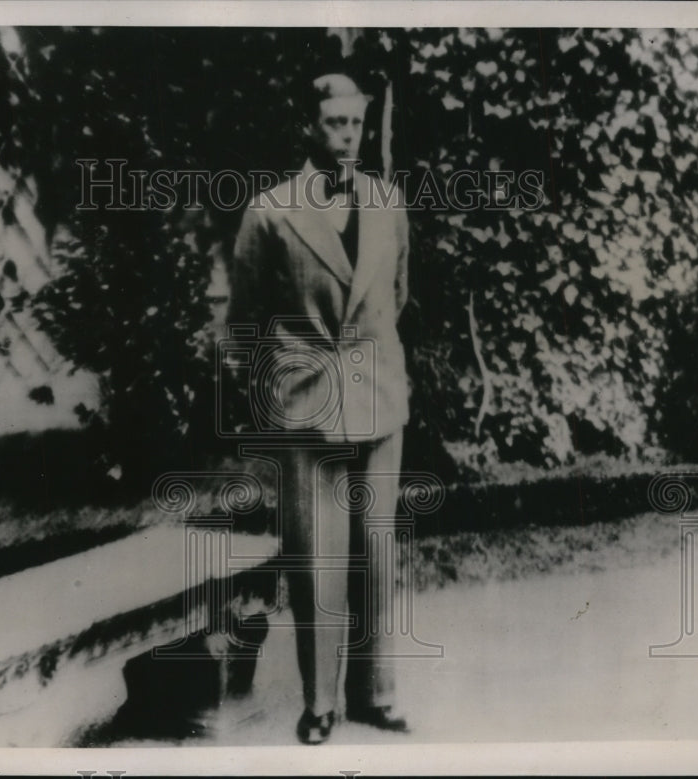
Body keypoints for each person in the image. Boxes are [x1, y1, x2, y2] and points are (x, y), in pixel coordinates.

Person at [227, 73, 412, 744]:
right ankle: (320, 701)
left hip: (380, 400)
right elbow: (245, 323)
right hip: (308, 411)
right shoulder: (271, 210)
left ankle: (378, 691)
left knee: (377, 550)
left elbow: (396, 292)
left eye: (355, 124)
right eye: (333, 123)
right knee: (317, 562)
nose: (346, 136)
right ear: (309, 126)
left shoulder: (388, 202)